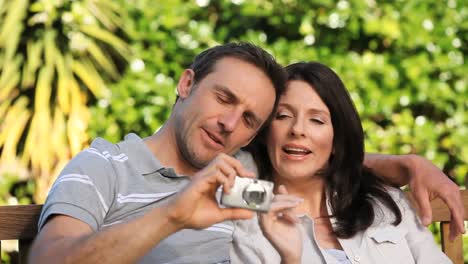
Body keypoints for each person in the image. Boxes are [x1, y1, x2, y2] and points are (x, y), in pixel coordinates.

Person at [29, 43, 463, 264]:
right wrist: (173, 215)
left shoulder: (244, 177)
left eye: (251, 118)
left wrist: (410, 164)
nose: (231, 124)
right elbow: (48, 260)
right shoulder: (105, 167)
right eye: (223, 98)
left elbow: (315, 154)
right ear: (186, 84)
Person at [231, 62, 452, 263]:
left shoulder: (383, 202)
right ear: (266, 131)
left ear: (337, 140)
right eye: (282, 116)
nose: (297, 129)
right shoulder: (245, 215)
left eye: (316, 120)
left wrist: (410, 163)